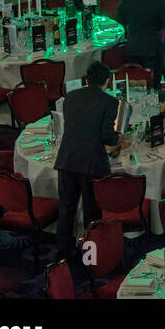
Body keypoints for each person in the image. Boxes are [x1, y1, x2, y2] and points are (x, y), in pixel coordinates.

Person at [55, 61, 128, 263]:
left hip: (66, 158)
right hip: (90, 163)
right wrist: (118, 139)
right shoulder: (110, 102)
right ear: (107, 80)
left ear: (87, 79)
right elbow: (106, 136)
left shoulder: (70, 97)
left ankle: (63, 254)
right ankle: (91, 259)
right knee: (91, 213)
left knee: (66, 208)